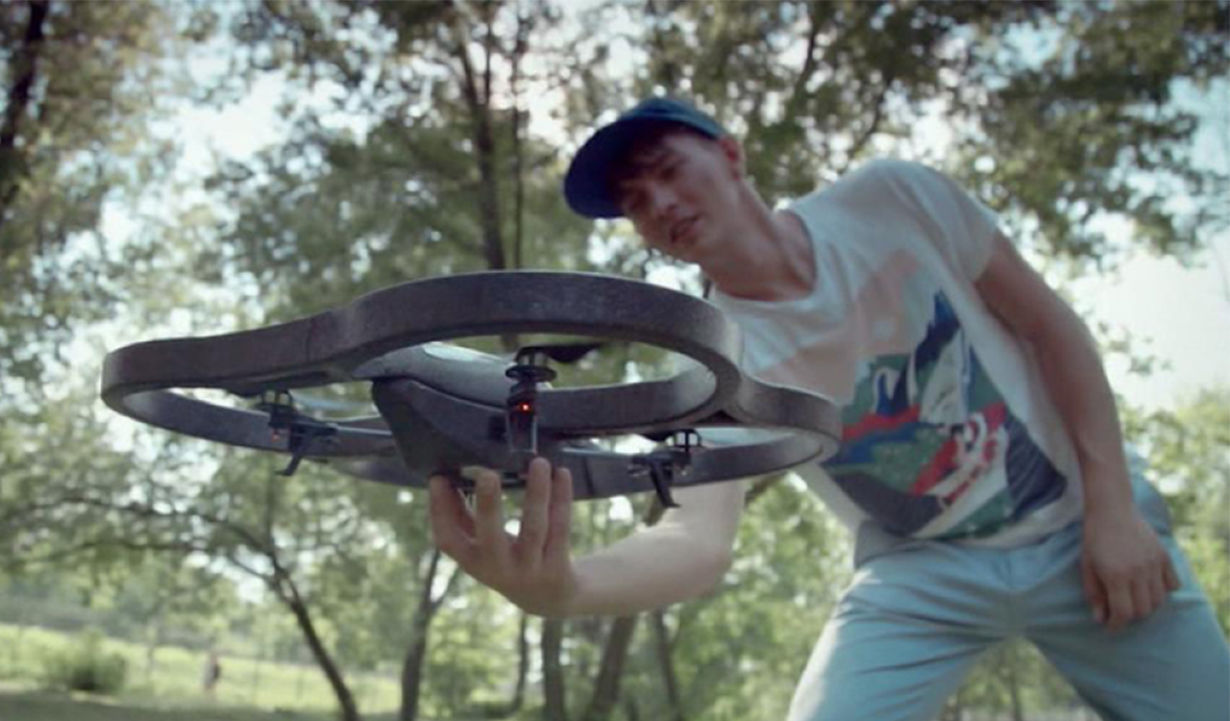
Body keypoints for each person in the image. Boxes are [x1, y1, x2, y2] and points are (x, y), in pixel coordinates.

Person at [428, 97, 1230, 720]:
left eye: (667, 169)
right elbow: (695, 539)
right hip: (920, 572)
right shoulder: (709, 358)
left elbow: (1052, 330)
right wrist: (565, 586)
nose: (660, 201)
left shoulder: (894, 200)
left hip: (1078, 524)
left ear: (731, 154)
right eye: (636, 201)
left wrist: (1115, 507)